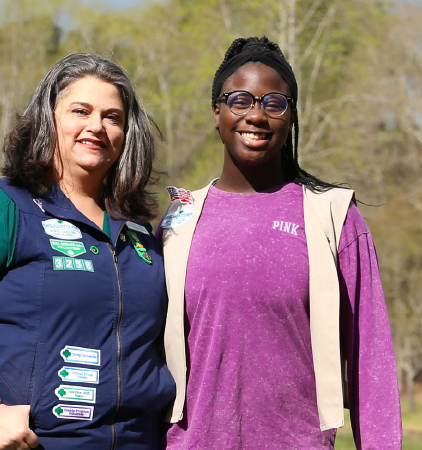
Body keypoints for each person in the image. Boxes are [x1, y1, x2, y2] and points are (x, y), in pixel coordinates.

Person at [0, 53, 171, 450]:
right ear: (47, 119)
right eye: (80, 111)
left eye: (112, 117)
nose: (96, 126)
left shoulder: (140, 233)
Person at [159, 37, 401, 449]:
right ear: (216, 113)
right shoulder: (177, 222)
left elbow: (370, 360)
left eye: (274, 103)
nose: (256, 115)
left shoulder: (332, 216)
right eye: (240, 100)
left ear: (290, 118)